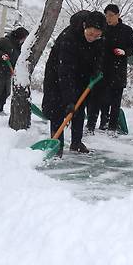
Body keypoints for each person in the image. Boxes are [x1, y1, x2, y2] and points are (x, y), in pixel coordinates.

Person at [41, 11, 106, 156]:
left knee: (79, 108)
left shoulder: (100, 39)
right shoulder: (68, 37)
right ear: (84, 26)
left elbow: (99, 56)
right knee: (58, 109)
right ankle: (57, 145)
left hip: (81, 75)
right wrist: (69, 99)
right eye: (90, 33)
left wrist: (96, 70)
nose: (92, 38)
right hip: (58, 74)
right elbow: (65, 71)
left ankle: (76, 143)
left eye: (97, 35)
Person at [88, 4, 133, 135]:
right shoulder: (102, 29)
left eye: (111, 15)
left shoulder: (127, 30)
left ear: (118, 15)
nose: (108, 18)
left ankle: (112, 128)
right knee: (96, 99)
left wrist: (124, 52)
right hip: (101, 69)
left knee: (115, 101)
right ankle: (91, 126)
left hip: (118, 70)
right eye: (106, 15)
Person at [0, 27, 29, 113]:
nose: (24, 40)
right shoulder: (5, 41)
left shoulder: (19, 46)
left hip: (7, 72)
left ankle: (0, 110)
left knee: (5, 93)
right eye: (24, 38)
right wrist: (1, 55)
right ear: (20, 36)